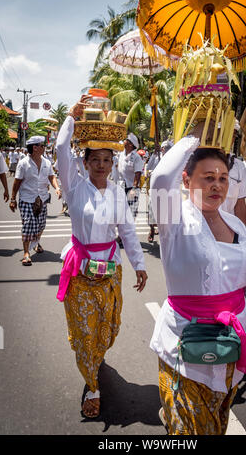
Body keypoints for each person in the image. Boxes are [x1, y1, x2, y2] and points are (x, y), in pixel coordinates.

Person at [149, 123, 246, 435]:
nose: (217, 185)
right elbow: (161, 179)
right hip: (183, 351)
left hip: (230, 351)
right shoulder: (173, 220)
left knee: (215, 426)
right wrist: (194, 136)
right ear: (186, 180)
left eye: (222, 178)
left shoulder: (237, 226)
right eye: (207, 178)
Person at [55, 96, 148, 419]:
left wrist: (139, 264)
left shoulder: (117, 193)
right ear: (85, 162)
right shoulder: (74, 187)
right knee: (84, 331)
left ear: (113, 163)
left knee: (108, 330)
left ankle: (96, 356)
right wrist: (71, 116)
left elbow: (128, 231)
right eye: (95, 159)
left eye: (107, 160)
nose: (101, 165)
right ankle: (92, 385)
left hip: (110, 271)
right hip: (80, 271)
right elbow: (60, 151)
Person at [9, 135, 61, 265]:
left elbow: (52, 177)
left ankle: (37, 242)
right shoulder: (23, 163)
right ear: (35, 147)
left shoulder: (47, 162)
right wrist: (13, 199)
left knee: (41, 225)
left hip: (42, 199)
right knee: (28, 225)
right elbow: (17, 182)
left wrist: (57, 188)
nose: (44, 147)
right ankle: (26, 253)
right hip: (27, 199)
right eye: (42, 145)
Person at [117, 133, 143, 219]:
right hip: (121, 186)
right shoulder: (121, 154)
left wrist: (134, 189)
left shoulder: (136, 157)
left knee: (130, 214)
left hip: (131, 187)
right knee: (121, 213)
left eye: (126, 140)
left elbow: (138, 173)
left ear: (131, 144)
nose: (124, 141)